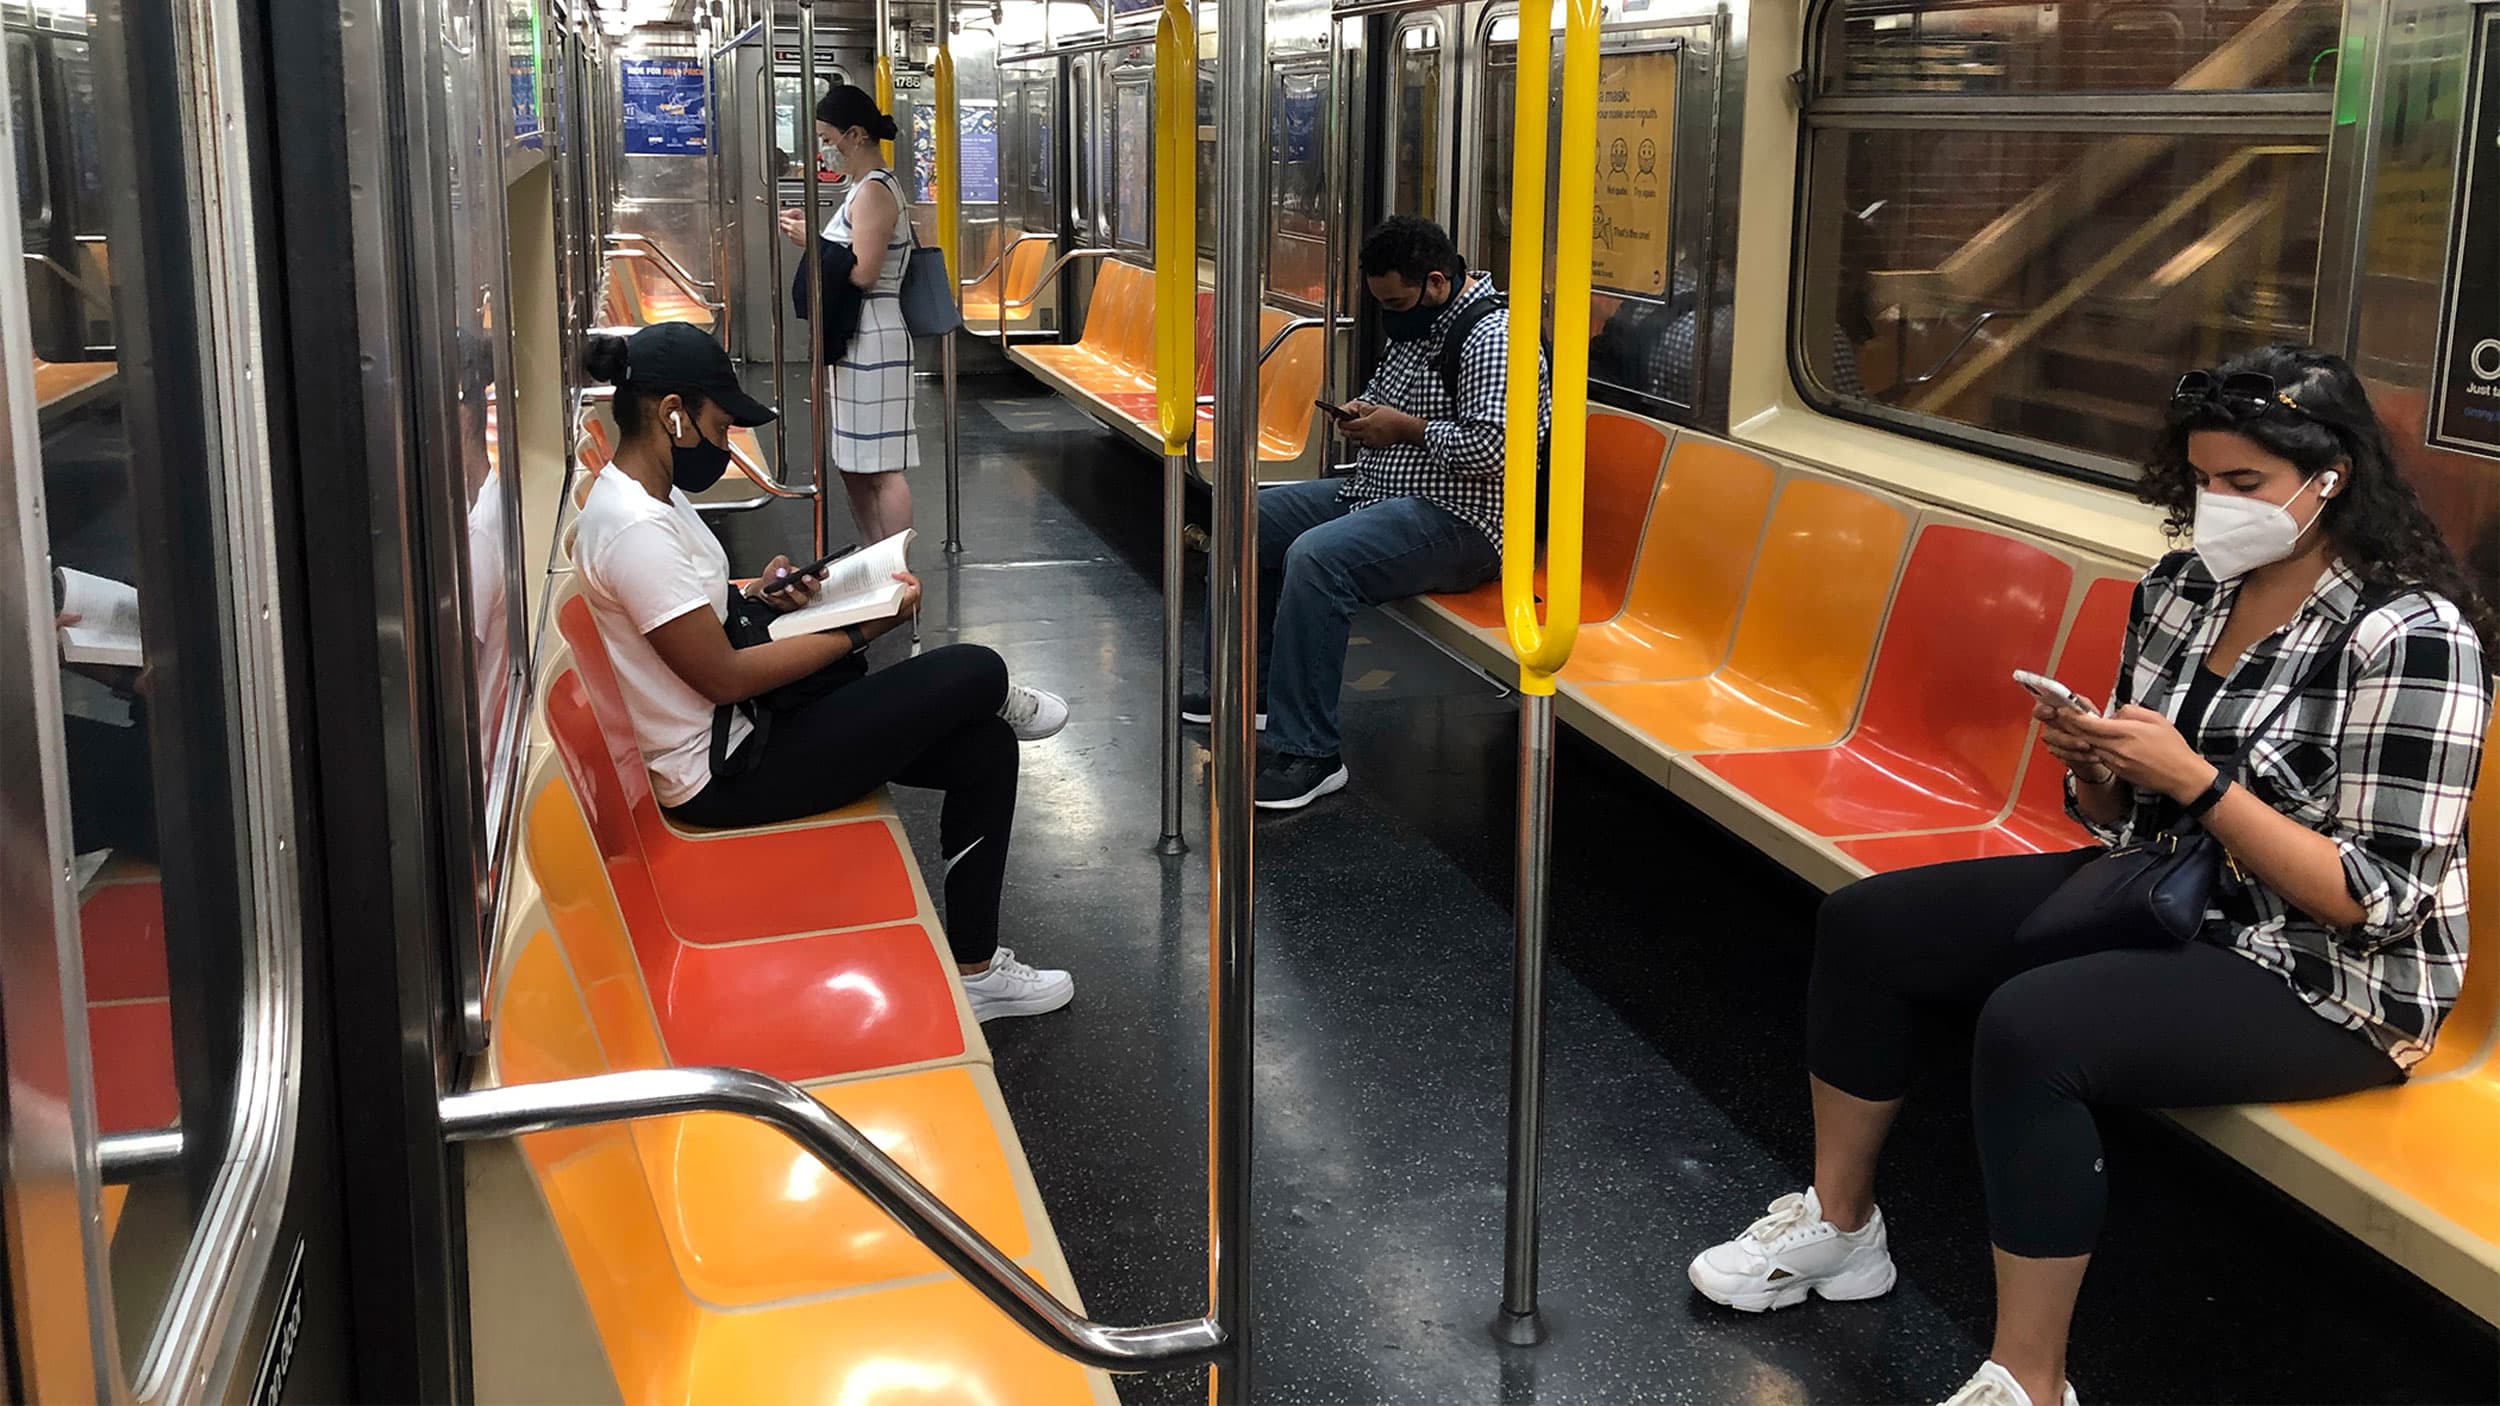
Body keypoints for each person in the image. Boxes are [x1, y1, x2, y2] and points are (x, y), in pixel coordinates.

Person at [1686, 345, 2493, 1406]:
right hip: (2170, 891)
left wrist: (2196, 782)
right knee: (1868, 925)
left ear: (2328, 476)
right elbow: (2126, 822)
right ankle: (1841, 1227)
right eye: (2201, 480)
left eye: (2244, 483)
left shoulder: (2412, 636)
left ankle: (2029, 1377)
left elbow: (2373, 895)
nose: (2217, 506)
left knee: (2034, 1028)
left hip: (2331, 976)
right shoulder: (2184, 591)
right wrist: (2100, 768)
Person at [572, 323, 1075, 1022]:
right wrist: (861, 627)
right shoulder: (632, 529)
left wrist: (761, 593)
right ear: (673, 415)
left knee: (982, 751)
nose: (724, 443)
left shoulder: (649, 496)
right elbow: (723, 675)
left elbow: (697, 614)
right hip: (726, 772)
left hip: (750, 731)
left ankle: (976, 970)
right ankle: (994, 695)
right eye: (720, 426)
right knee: (973, 671)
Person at [1184, 216, 1551, 809]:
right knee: (1243, 517)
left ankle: (1311, 751)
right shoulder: (1416, 328)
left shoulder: (1493, 339)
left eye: (1397, 300)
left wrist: (1403, 428)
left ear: (1436, 283)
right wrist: (1365, 414)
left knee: (1318, 558)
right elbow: (1389, 398)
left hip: (1463, 520)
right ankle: (1252, 687)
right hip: (1381, 493)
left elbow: (1495, 450)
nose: (1390, 313)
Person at [779, 85, 917, 545]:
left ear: (855, 135)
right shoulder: (861, 188)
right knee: (855, 460)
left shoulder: (875, 191)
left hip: (874, 334)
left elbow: (864, 272)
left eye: (827, 138)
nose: (825, 149)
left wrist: (811, 243)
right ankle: (874, 558)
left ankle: (895, 571)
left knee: (881, 466)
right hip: (856, 335)